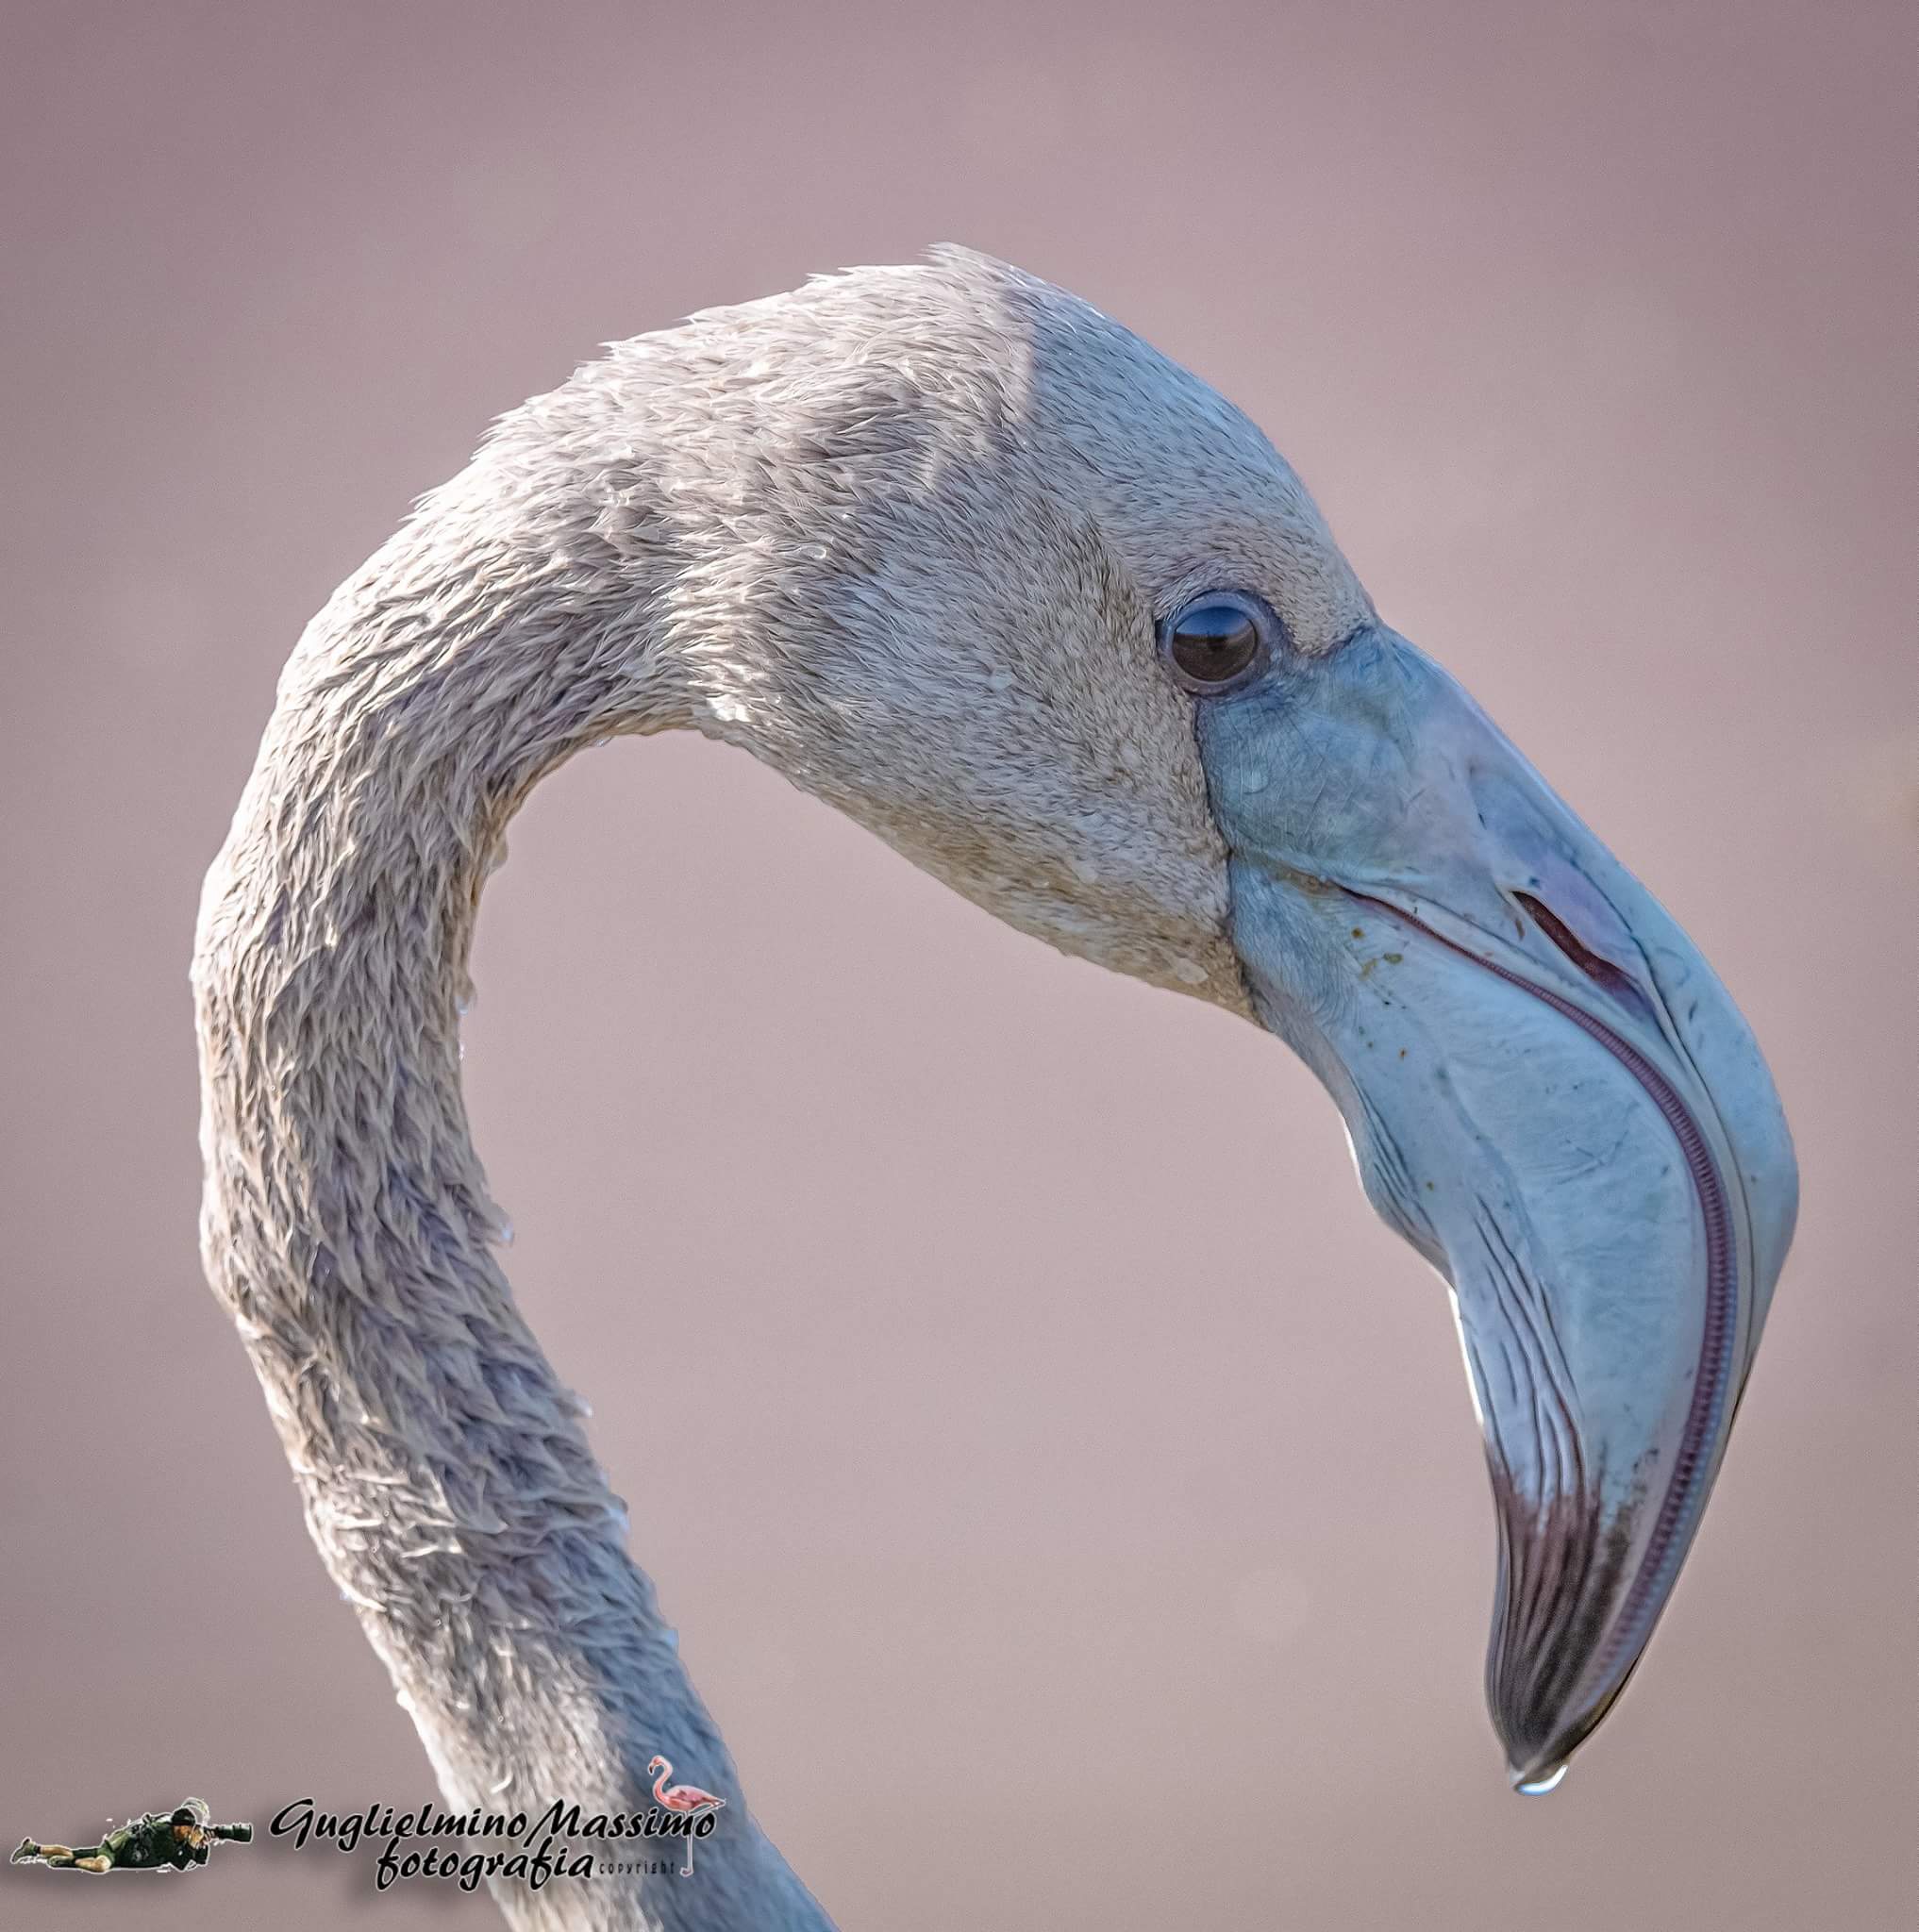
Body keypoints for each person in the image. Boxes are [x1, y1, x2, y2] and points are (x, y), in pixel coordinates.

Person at [12, 1798, 249, 1873]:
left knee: (76, 1851)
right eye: (188, 1829)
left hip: (121, 1851)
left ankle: (33, 1848)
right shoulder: (163, 1834)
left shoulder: (178, 1835)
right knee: (100, 1866)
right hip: (117, 1851)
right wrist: (193, 1845)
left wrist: (203, 1842)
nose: (190, 1832)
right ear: (179, 1826)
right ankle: (65, 1862)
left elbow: (199, 1861)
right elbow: (181, 1862)